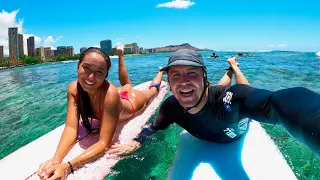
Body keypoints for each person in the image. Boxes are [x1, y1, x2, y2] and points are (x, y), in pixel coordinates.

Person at [108, 49, 320, 161]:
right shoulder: (171, 107)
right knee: (210, 91)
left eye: (192, 73)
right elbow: (152, 128)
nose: (183, 81)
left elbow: (277, 102)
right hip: (212, 92)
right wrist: (137, 142)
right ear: (170, 83)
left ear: (204, 77)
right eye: (175, 76)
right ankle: (230, 70)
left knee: (240, 89)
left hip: (236, 110)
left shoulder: (232, 99)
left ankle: (234, 68)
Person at [37, 46, 163, 179]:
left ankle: (160, 72)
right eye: (86, 68)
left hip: (132, 102)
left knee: (152, 91)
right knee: (126, 85)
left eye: (99, 72)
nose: (91, 76)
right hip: (114, 96)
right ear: (78, 66)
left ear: (105, 75)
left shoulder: (110, 94)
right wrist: (56, 160)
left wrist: (68, 166)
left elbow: (104, 142)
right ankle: (121, 56)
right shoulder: (74, 89)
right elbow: (71, 127)